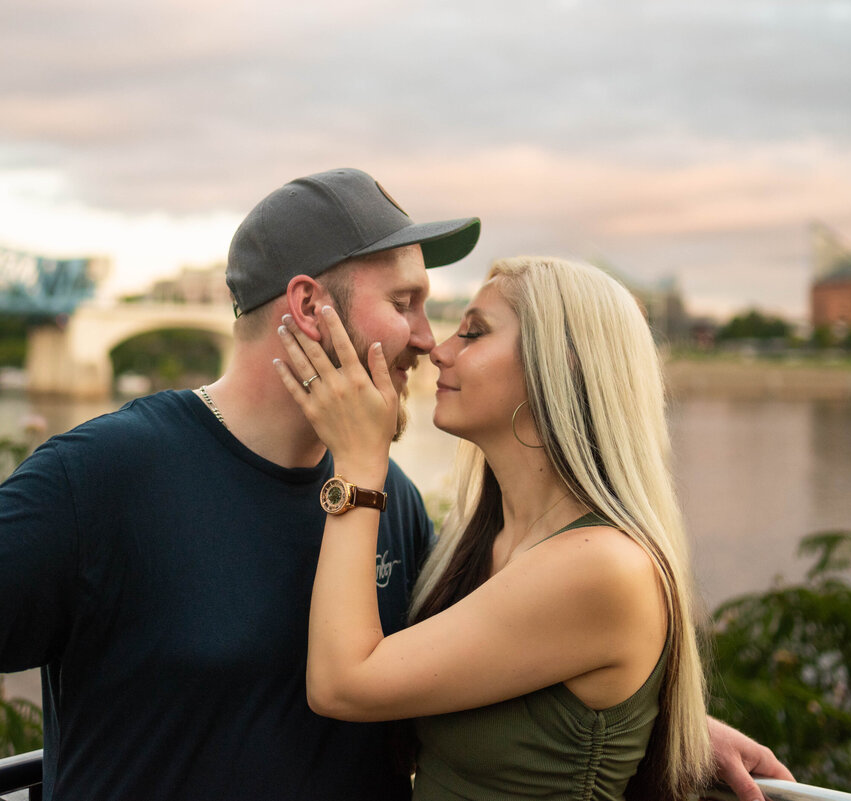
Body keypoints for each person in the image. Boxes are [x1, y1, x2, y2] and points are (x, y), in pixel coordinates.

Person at [0, 169, 789, 800]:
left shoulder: (385, 500)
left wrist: (663, 726)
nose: (428, 339)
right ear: (307, 307)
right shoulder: (107, 478)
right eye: (406, 302)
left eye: (446, 315)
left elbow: (476, 671)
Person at [272, 254, 740, 799]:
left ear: (558, 366)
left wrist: (356, 465)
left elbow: (341, 685)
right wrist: (672, 726)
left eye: (473, 333)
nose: (437, 351)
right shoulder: (480, 542)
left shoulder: (601, 568)